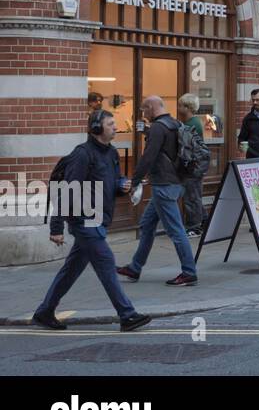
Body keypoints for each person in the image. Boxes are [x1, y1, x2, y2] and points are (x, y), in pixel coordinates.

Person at [31, 111, 152, 332]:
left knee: (71, 270)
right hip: (83, 220)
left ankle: (44, 312)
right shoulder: (82, 154)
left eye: (115, 123)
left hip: (99, 219)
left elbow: (113, 183)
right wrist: (56, 227)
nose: (115, 127)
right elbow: (67, 190)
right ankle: (127, 315)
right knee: (106, 261)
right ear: (96, 129)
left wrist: (122, 186)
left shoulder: (112, 153)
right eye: (110, 124)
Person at [117, 95, 198, 287]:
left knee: (176, 231)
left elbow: (148, 157)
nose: (144, 113)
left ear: (152, 108)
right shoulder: (174, 124)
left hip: (164, 186)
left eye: (145, 109)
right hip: (175, 182)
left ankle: (189, 272)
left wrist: (135, 181)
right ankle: (135, 267)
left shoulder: (158, 128)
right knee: (146, 225)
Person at [178, 93, 205, 237]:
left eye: (180, 105)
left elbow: (186, 147)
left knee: (192, 197)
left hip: (193, 167)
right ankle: (204, 221)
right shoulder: (193, 122)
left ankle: (194, 227)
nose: (178, 108)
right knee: (194, 195)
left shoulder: (191, 125)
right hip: (196, 166)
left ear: (187, 107)